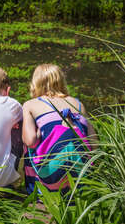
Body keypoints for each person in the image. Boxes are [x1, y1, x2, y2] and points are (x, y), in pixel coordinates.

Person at [22, 64, 95, 195]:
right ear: (61, 80)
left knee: (29, 144)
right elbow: (94, 144)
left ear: (36, 82)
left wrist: (40, 133)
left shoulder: (30, 105)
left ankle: (38, 191)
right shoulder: (78, 104)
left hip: (52, 177)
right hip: (82, 176)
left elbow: (30, 141)